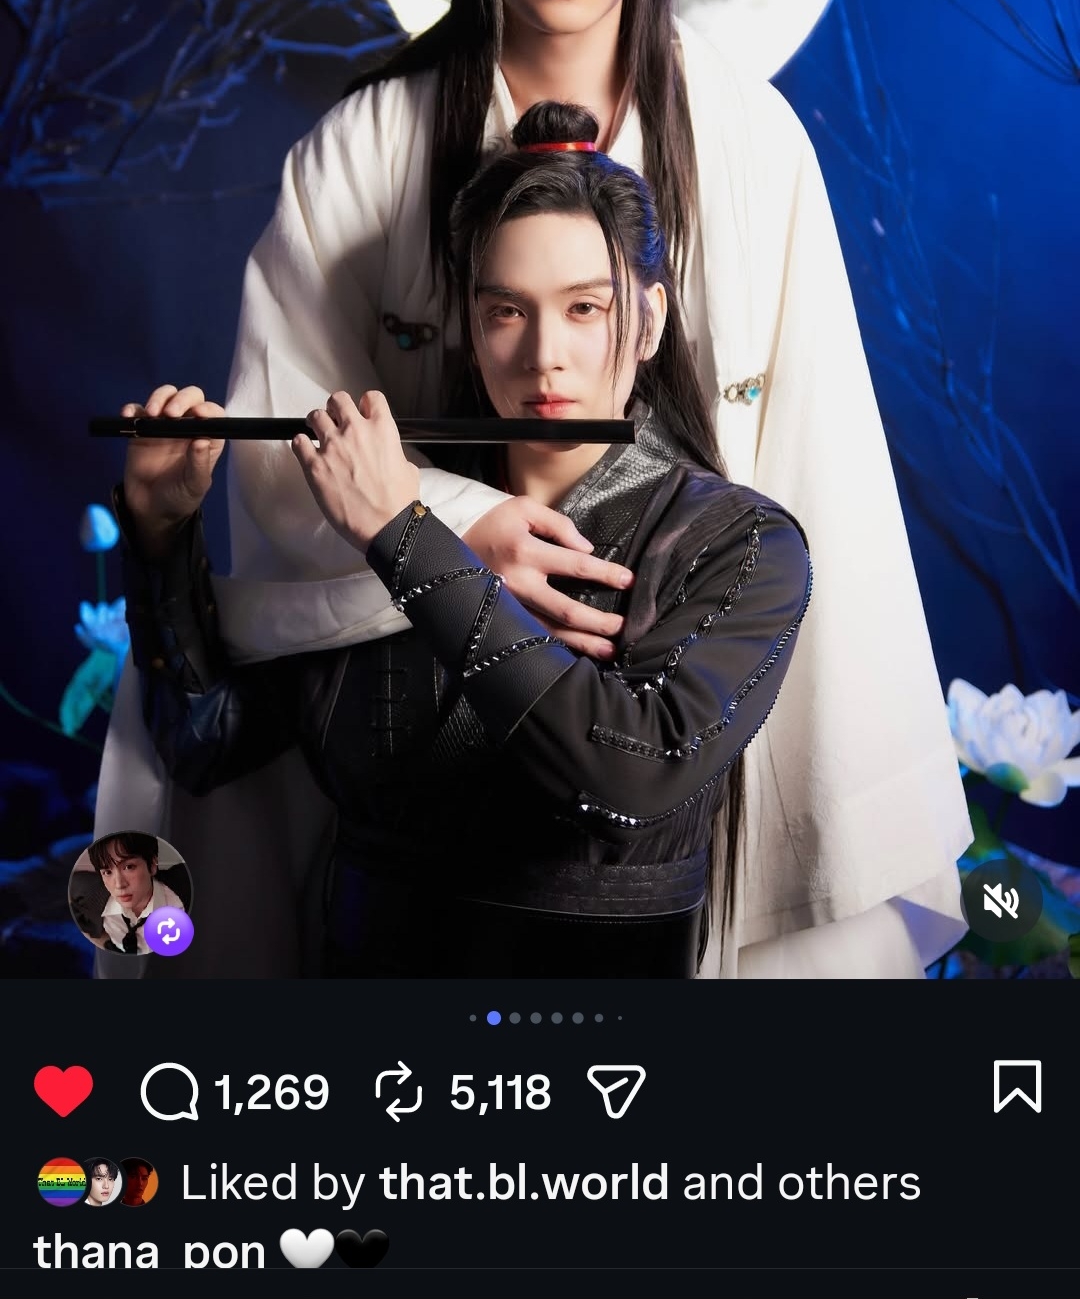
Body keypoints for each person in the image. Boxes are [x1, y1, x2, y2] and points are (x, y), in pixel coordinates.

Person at [97, 0, 970, 979]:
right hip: (402, 668)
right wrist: (454, 525)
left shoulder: (753, 143)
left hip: (667, 678)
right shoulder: (365, 147)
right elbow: (291, 459)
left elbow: (813, 457)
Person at [115, 105, 811, 976]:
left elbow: (631, 775)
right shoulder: (371, 510)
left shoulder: (742, 543)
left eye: (585, 308)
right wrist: (162, 530)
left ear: (649, 319)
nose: (544, 354)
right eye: (506, 311)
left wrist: (407, 537)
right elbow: (204, 741)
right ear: (471, 328)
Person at [88, 831, 184, 955]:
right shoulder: (101, 909)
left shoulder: (177, 909)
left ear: (152, 865)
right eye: (107, 872)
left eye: (129, 867)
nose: (119, 885)